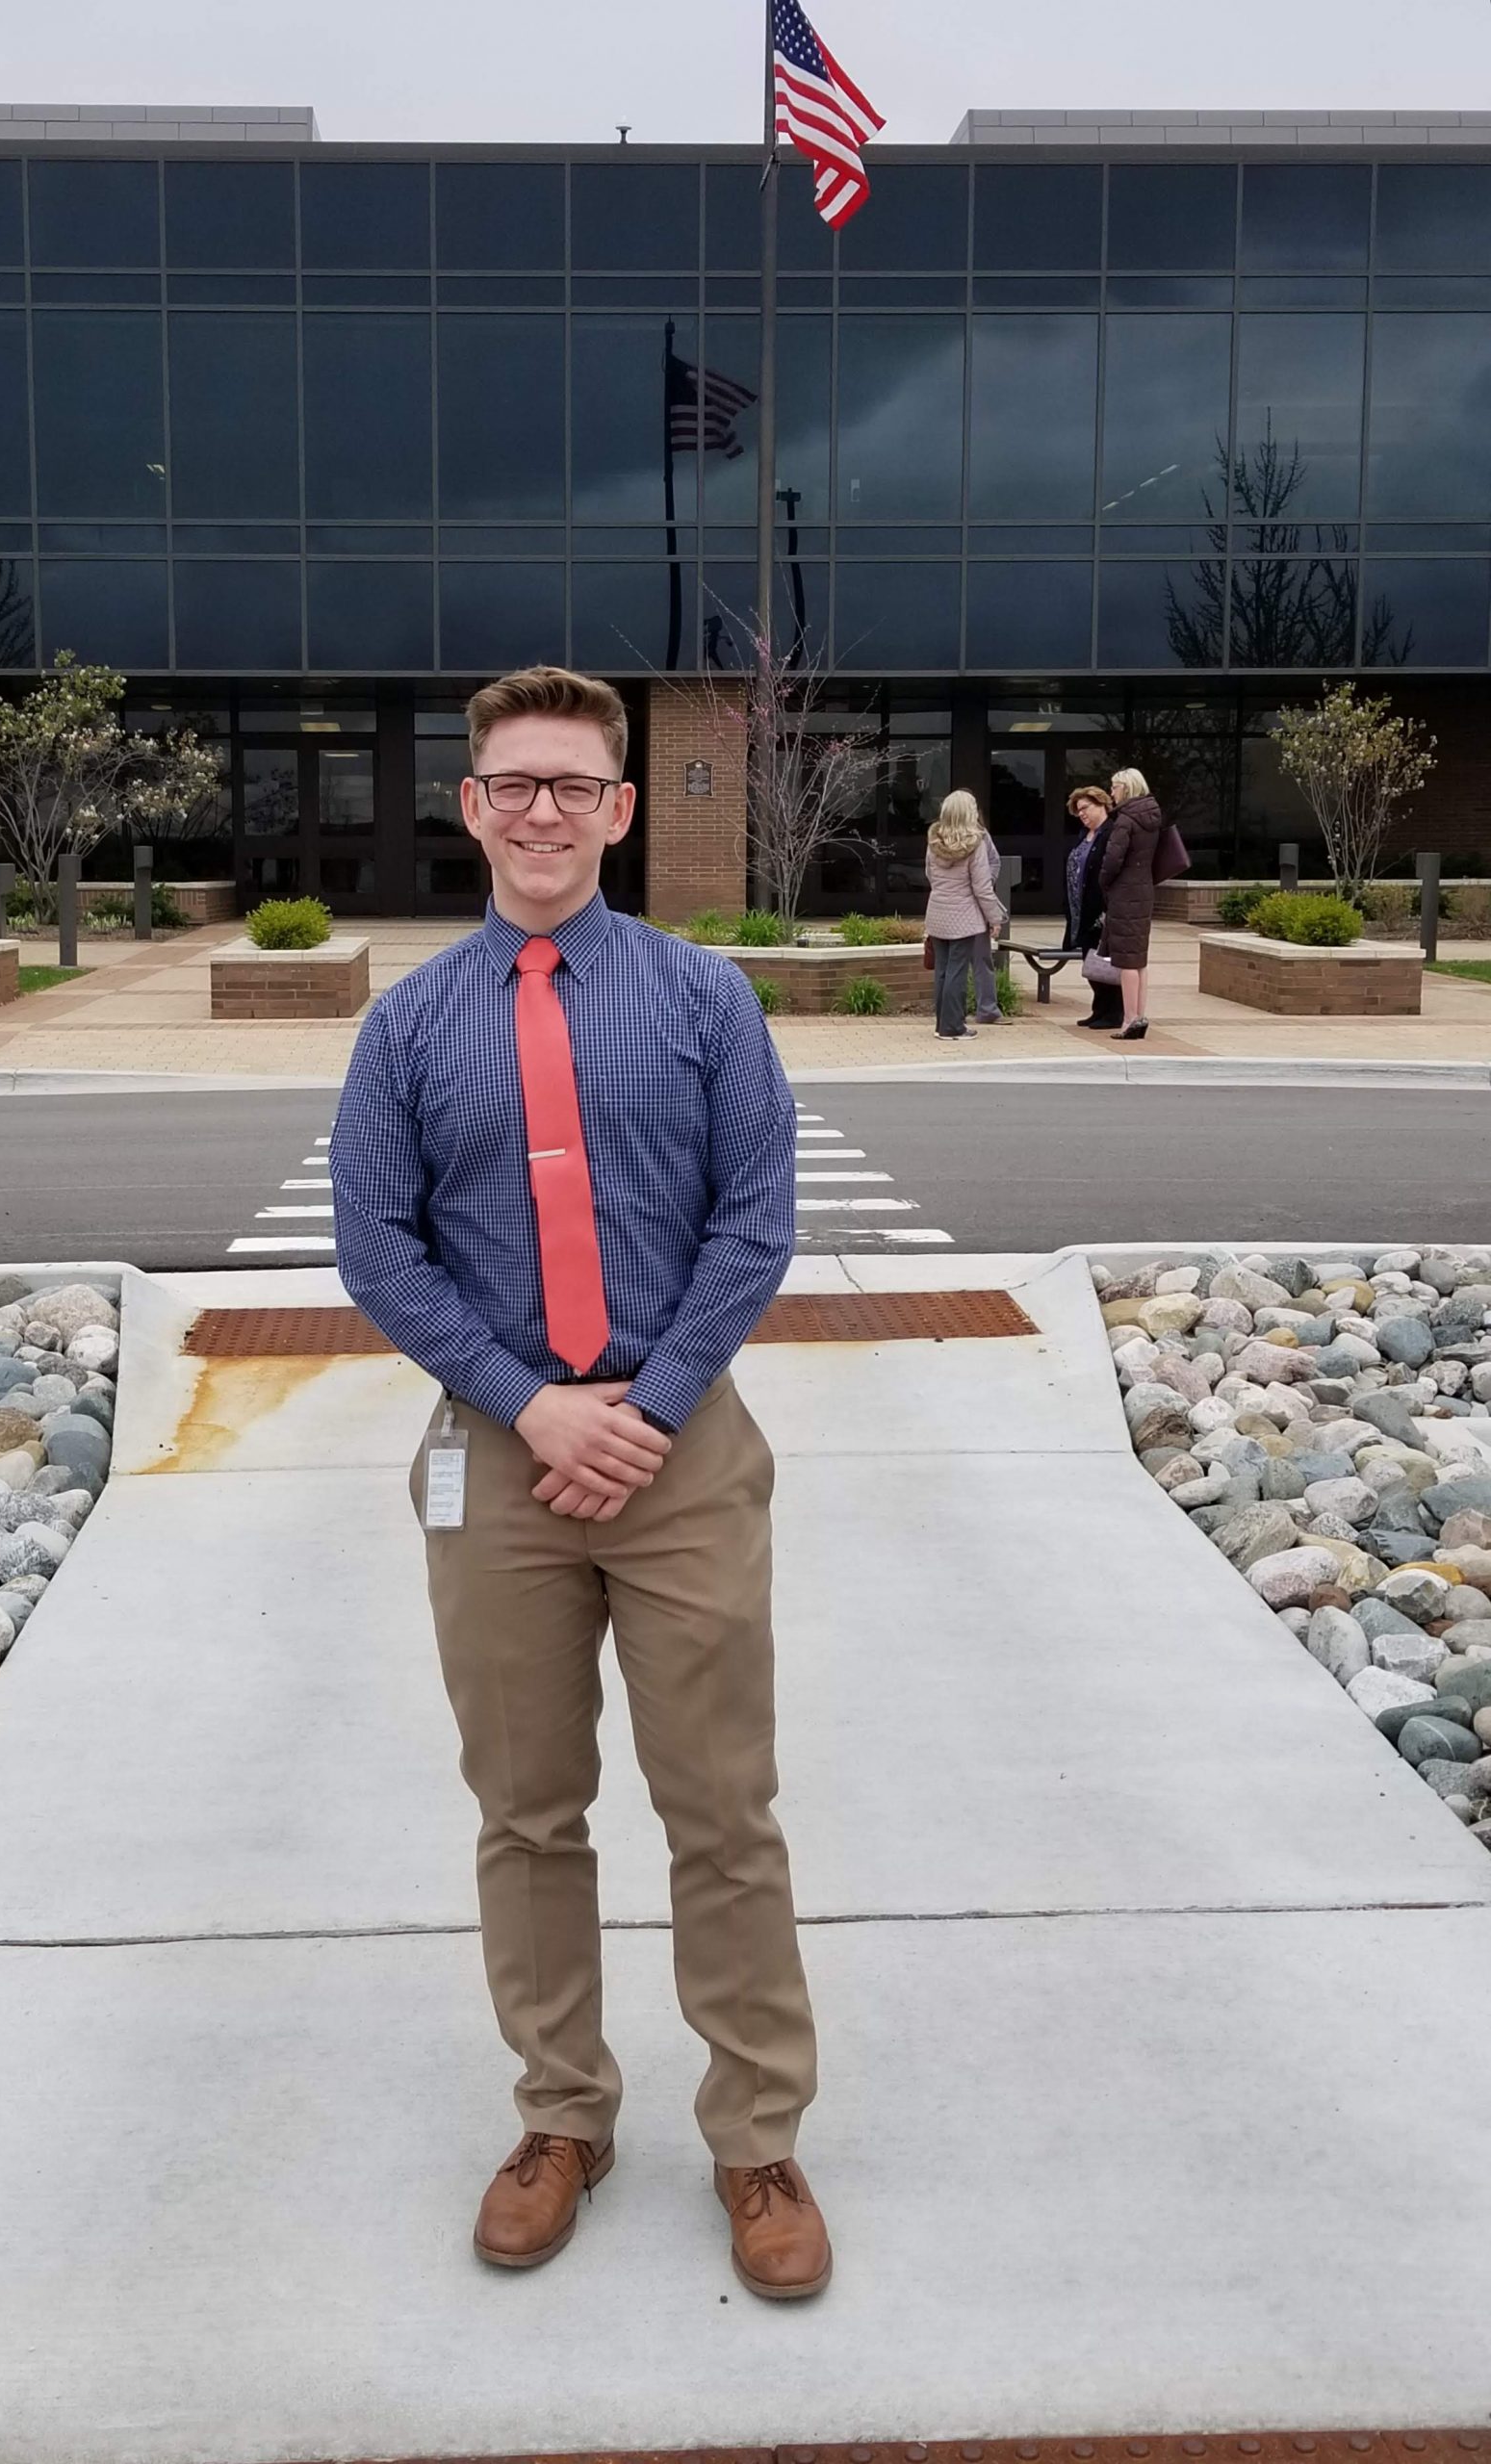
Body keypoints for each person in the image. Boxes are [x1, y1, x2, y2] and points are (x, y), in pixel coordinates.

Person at [329, 665, 830, 2303]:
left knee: (722, 1811)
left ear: (620, 810)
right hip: (502, 1456)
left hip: (682, 1454)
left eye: (573, 785)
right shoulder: (408, 1023)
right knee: (528, 1813)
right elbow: (376, 1249)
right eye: (513, 784)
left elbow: (755, 1219)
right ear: (470, 807)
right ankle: (563, 2117)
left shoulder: (702, 1003)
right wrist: (530, 1408)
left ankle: (758, 2137)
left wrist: (656, 1401)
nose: (542, 811)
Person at [923, 789, 1006, 1040]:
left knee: (943, 971)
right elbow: (982, 887)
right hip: (964, 917)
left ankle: (942, 1024)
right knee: (958, 971)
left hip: (937, 913)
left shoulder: (934, 842)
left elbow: (929, 876)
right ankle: (954, 1027)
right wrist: (995, 917)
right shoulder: (975, 842)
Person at [1098, 767, 1163, 1040]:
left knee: (1125, 960)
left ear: (1126, 788)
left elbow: (1113, 859)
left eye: (1114, 787)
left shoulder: (1125, 820)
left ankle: (1128, 1019)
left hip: (1124, 894)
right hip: (1144, 889)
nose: (1111, 792)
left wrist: (1103, 881)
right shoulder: (1153, 816)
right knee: (1139, 960)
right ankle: (1139, 1015)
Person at [1066, 784, 1123, 1032]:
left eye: (1085, 808)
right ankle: (1099, 1010)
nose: (1081, 814)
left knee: (1105, 964)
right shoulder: (1084, 835)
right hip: (1081, 910)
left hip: (1101, 911)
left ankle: (1113, 1013)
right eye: (1078, 811)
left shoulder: (1111, 833)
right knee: (1090, 963)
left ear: (1101, 804)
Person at [968, 822, 1007, 1024]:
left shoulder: (981, 835)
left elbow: (994, 862)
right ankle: (950, 1014)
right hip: (954, 910)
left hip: (974, 908)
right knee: (950, 966)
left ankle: (987, 1009)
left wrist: (985, 878)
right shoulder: (940, 837)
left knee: (981, 960)